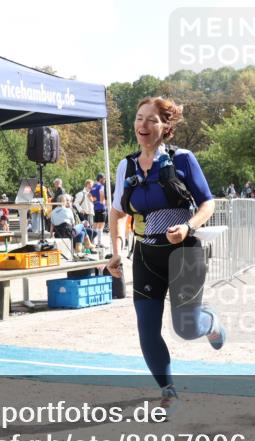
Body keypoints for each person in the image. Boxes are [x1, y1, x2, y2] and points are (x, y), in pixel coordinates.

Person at [105, 96, 224, 412]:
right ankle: (168, 390)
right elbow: (116, 213)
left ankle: (209, 322)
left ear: (166, 127)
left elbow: (208, 203)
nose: (142, 125)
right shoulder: (125, 166)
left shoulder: (183, 159)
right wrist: (115, 253)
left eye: (151, 120)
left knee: (186, 328)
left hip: (183, 252)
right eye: (139, 118)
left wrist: (188, 226)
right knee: (147, 328)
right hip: (145, 255)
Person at [91, 174, 107, 247]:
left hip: (95, 208)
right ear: (100, 179)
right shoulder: (101, 186)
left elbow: (89, 195)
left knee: (95, 225)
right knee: (101, 226)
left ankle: (93, 241)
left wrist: (94, 201)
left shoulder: (93, 186)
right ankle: (99, 242)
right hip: (101, 207)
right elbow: (101, 193)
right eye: (103, 179)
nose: (104, 180)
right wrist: (101, 201)